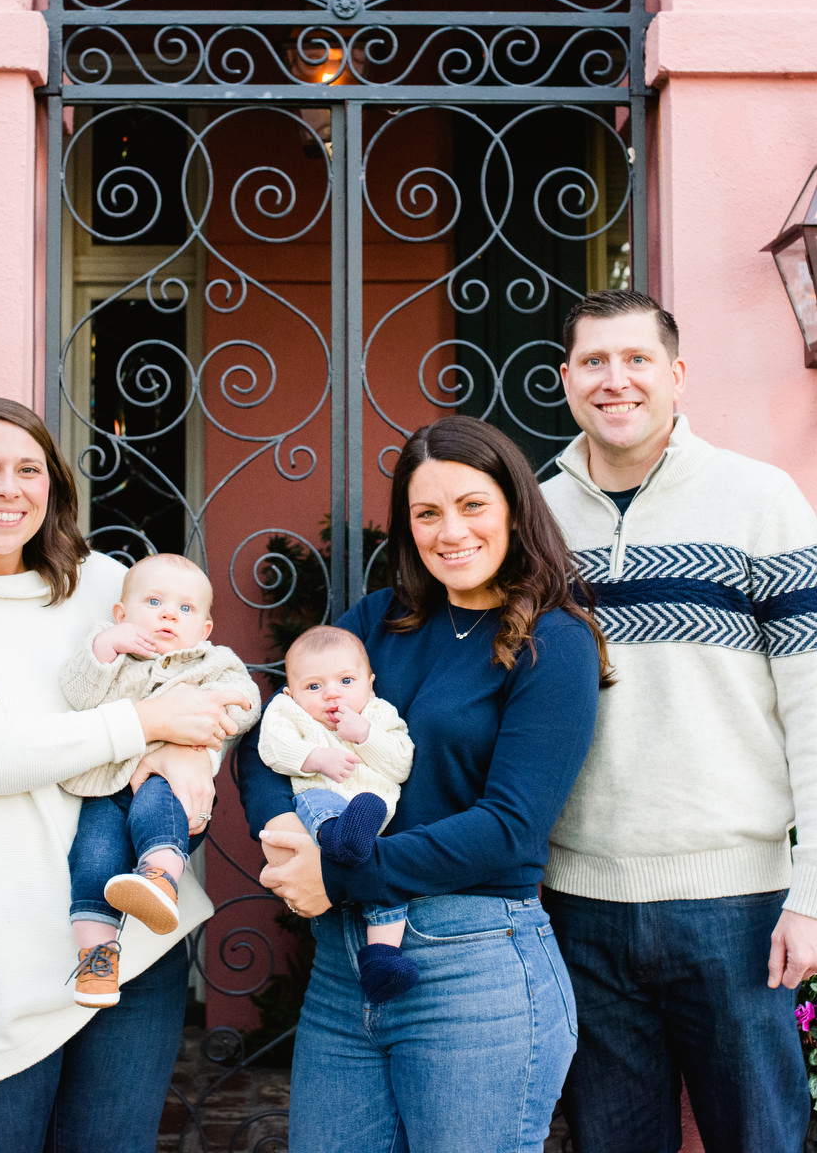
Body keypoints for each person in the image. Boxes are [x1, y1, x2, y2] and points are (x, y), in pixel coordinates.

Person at [0, 397, 250, 1150]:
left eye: (28, 469)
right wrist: (146, 726)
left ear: (54, 486)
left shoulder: (105, 584)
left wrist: (186, 751)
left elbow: (199, 682)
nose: (10, 488)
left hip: (128, 946)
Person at [540, 289, 817, 1152]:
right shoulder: (537, 520)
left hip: (738, 905)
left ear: (677, 376)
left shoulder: (761, 502)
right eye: (595, 362)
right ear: (566, 379)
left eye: (637, 360)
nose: (617, 381)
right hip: (580, 903)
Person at [243, 415, 608, 1153]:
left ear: (514, 506)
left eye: (472, 505)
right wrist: (282, 830)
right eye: (426, 512)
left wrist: (341, 875)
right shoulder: (379, 622)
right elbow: (268, 738)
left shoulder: (555, 642)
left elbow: (509, 827)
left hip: (474, 970)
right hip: (346, 973)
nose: (451, 531)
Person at [58, 552, 259, 1007]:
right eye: (154, 601)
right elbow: (77, 694)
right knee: (92, 859)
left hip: (165, 782)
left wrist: (200, 722)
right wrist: (105, 647)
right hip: (103, 786)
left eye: (186, 609)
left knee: (157, 811)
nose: (169, 614)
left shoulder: (213, 662)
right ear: (121, 614)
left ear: (205, 630)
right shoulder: (110, 653)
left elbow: (246, 703)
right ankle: (95, 962)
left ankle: (160, 878)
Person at [258, 625, 417, 1002]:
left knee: (386, 884)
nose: (332, 693)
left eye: (346, 680)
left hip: (374, 819)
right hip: (321, 802)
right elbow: (272, 749)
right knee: (319, 804)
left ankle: (382, 958)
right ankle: (338, 836)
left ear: (369, 683)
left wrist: (366, 735)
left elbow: (401, 765)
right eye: (313, 687)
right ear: (291, 691)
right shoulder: (289, 712)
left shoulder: (379, 714)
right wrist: (315, 758)